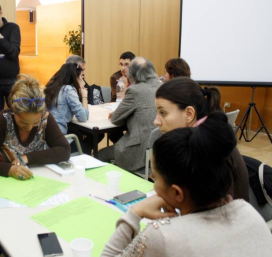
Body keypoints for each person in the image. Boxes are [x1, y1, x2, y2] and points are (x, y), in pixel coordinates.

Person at [101, 113, 272, 257]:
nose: (153, 182)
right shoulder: (247, 211)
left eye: (155, 178)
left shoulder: (162, 236)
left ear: (177, 193)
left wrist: (134, 213)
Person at [153, 77, 249, 201]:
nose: (156, 121)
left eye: (163, 113)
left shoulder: (207, 150)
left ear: (189, 114)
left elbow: (216, 211)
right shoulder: (198, 140)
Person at [0, 75, 70, 180]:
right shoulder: (2, 121)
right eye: (23, 123)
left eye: (35, 123)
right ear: (14, 112)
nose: (29, 128)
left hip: (35, 178)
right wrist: (10, 169)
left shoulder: (45, 118)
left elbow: (64, 150)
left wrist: (27, 158)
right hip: (4, 182)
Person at [98, 57, 161, 172]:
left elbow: (115, 119)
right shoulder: (162, 86)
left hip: (139, 150)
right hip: (159, 149)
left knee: (100, 155)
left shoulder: (134, 90)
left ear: (132, 74)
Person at [44, 63, 89, 151]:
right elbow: (83, 117)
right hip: (60, 141)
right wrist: (84, 96)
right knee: (92, 140)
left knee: (77, 133)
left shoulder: (52, 88)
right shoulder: (68, 90)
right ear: (75, 78)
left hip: (47, 138)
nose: (83, 81)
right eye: (81, 77)